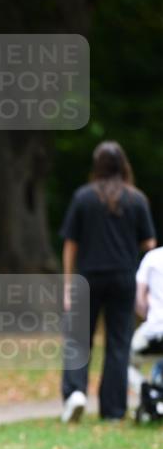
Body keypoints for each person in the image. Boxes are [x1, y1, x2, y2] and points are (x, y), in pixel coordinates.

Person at [60, 141, 157, 423]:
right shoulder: (136, 199)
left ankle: (75, 394)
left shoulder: (83, 198)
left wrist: (68, 283)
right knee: (118, 343)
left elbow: (71, 243)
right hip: (123, 278)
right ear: (123, 165)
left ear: (97, 166)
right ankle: (113, 410)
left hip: (89, 276)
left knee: (79, 339)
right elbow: (149, 243)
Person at [129, 245, 163, 400]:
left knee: (123, 359)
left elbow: (139, 302)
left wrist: (149, 314)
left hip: (155, 331)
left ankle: (147, 393)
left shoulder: (152, 257)